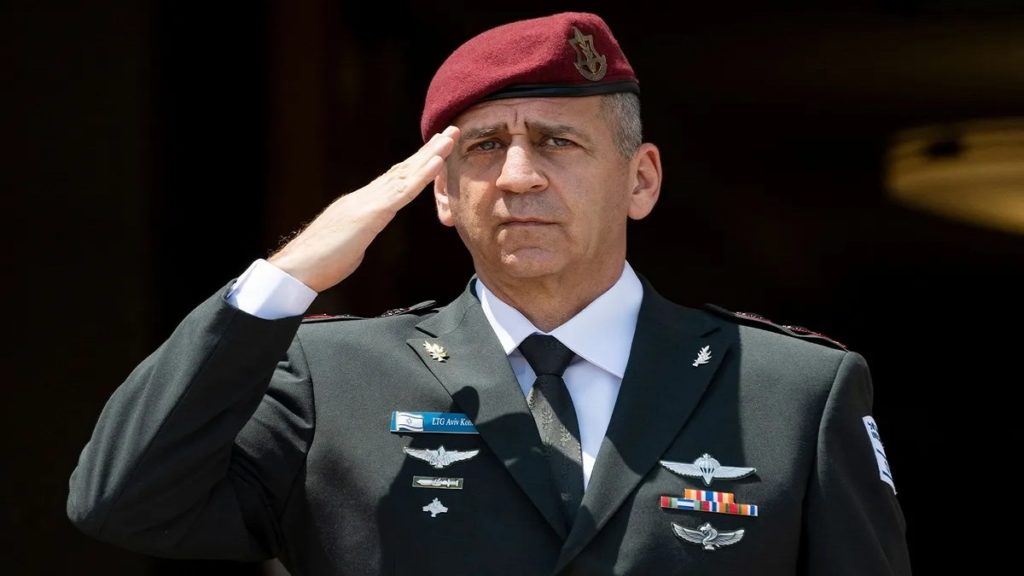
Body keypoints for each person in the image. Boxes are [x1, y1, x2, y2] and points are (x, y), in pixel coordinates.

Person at [68, 12, 911, 575]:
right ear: (441, 192)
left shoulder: (789, 393)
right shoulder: (332, 380)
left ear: (641, 179)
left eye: (556, 142)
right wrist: (288, 276)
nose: (516, 176)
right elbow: (123, 503)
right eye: (480, 149)